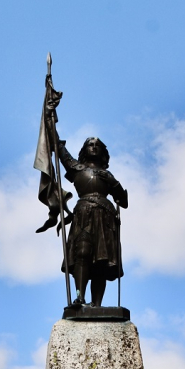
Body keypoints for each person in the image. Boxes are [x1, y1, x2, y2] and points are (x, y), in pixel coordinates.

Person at [47, 115, 128, 307]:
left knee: (101, 259)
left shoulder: (108, 175)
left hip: (105, 217)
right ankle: (80, 297)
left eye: (97, 145)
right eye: (90, 144)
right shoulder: (77, 168)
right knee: (82, 252)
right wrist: (50, 120)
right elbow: (58, 148)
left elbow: (123, 201)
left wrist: (114, 185)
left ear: (102, 153)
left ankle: (96, 304)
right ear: (84, 150)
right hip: (83, 213)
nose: (93, 146)